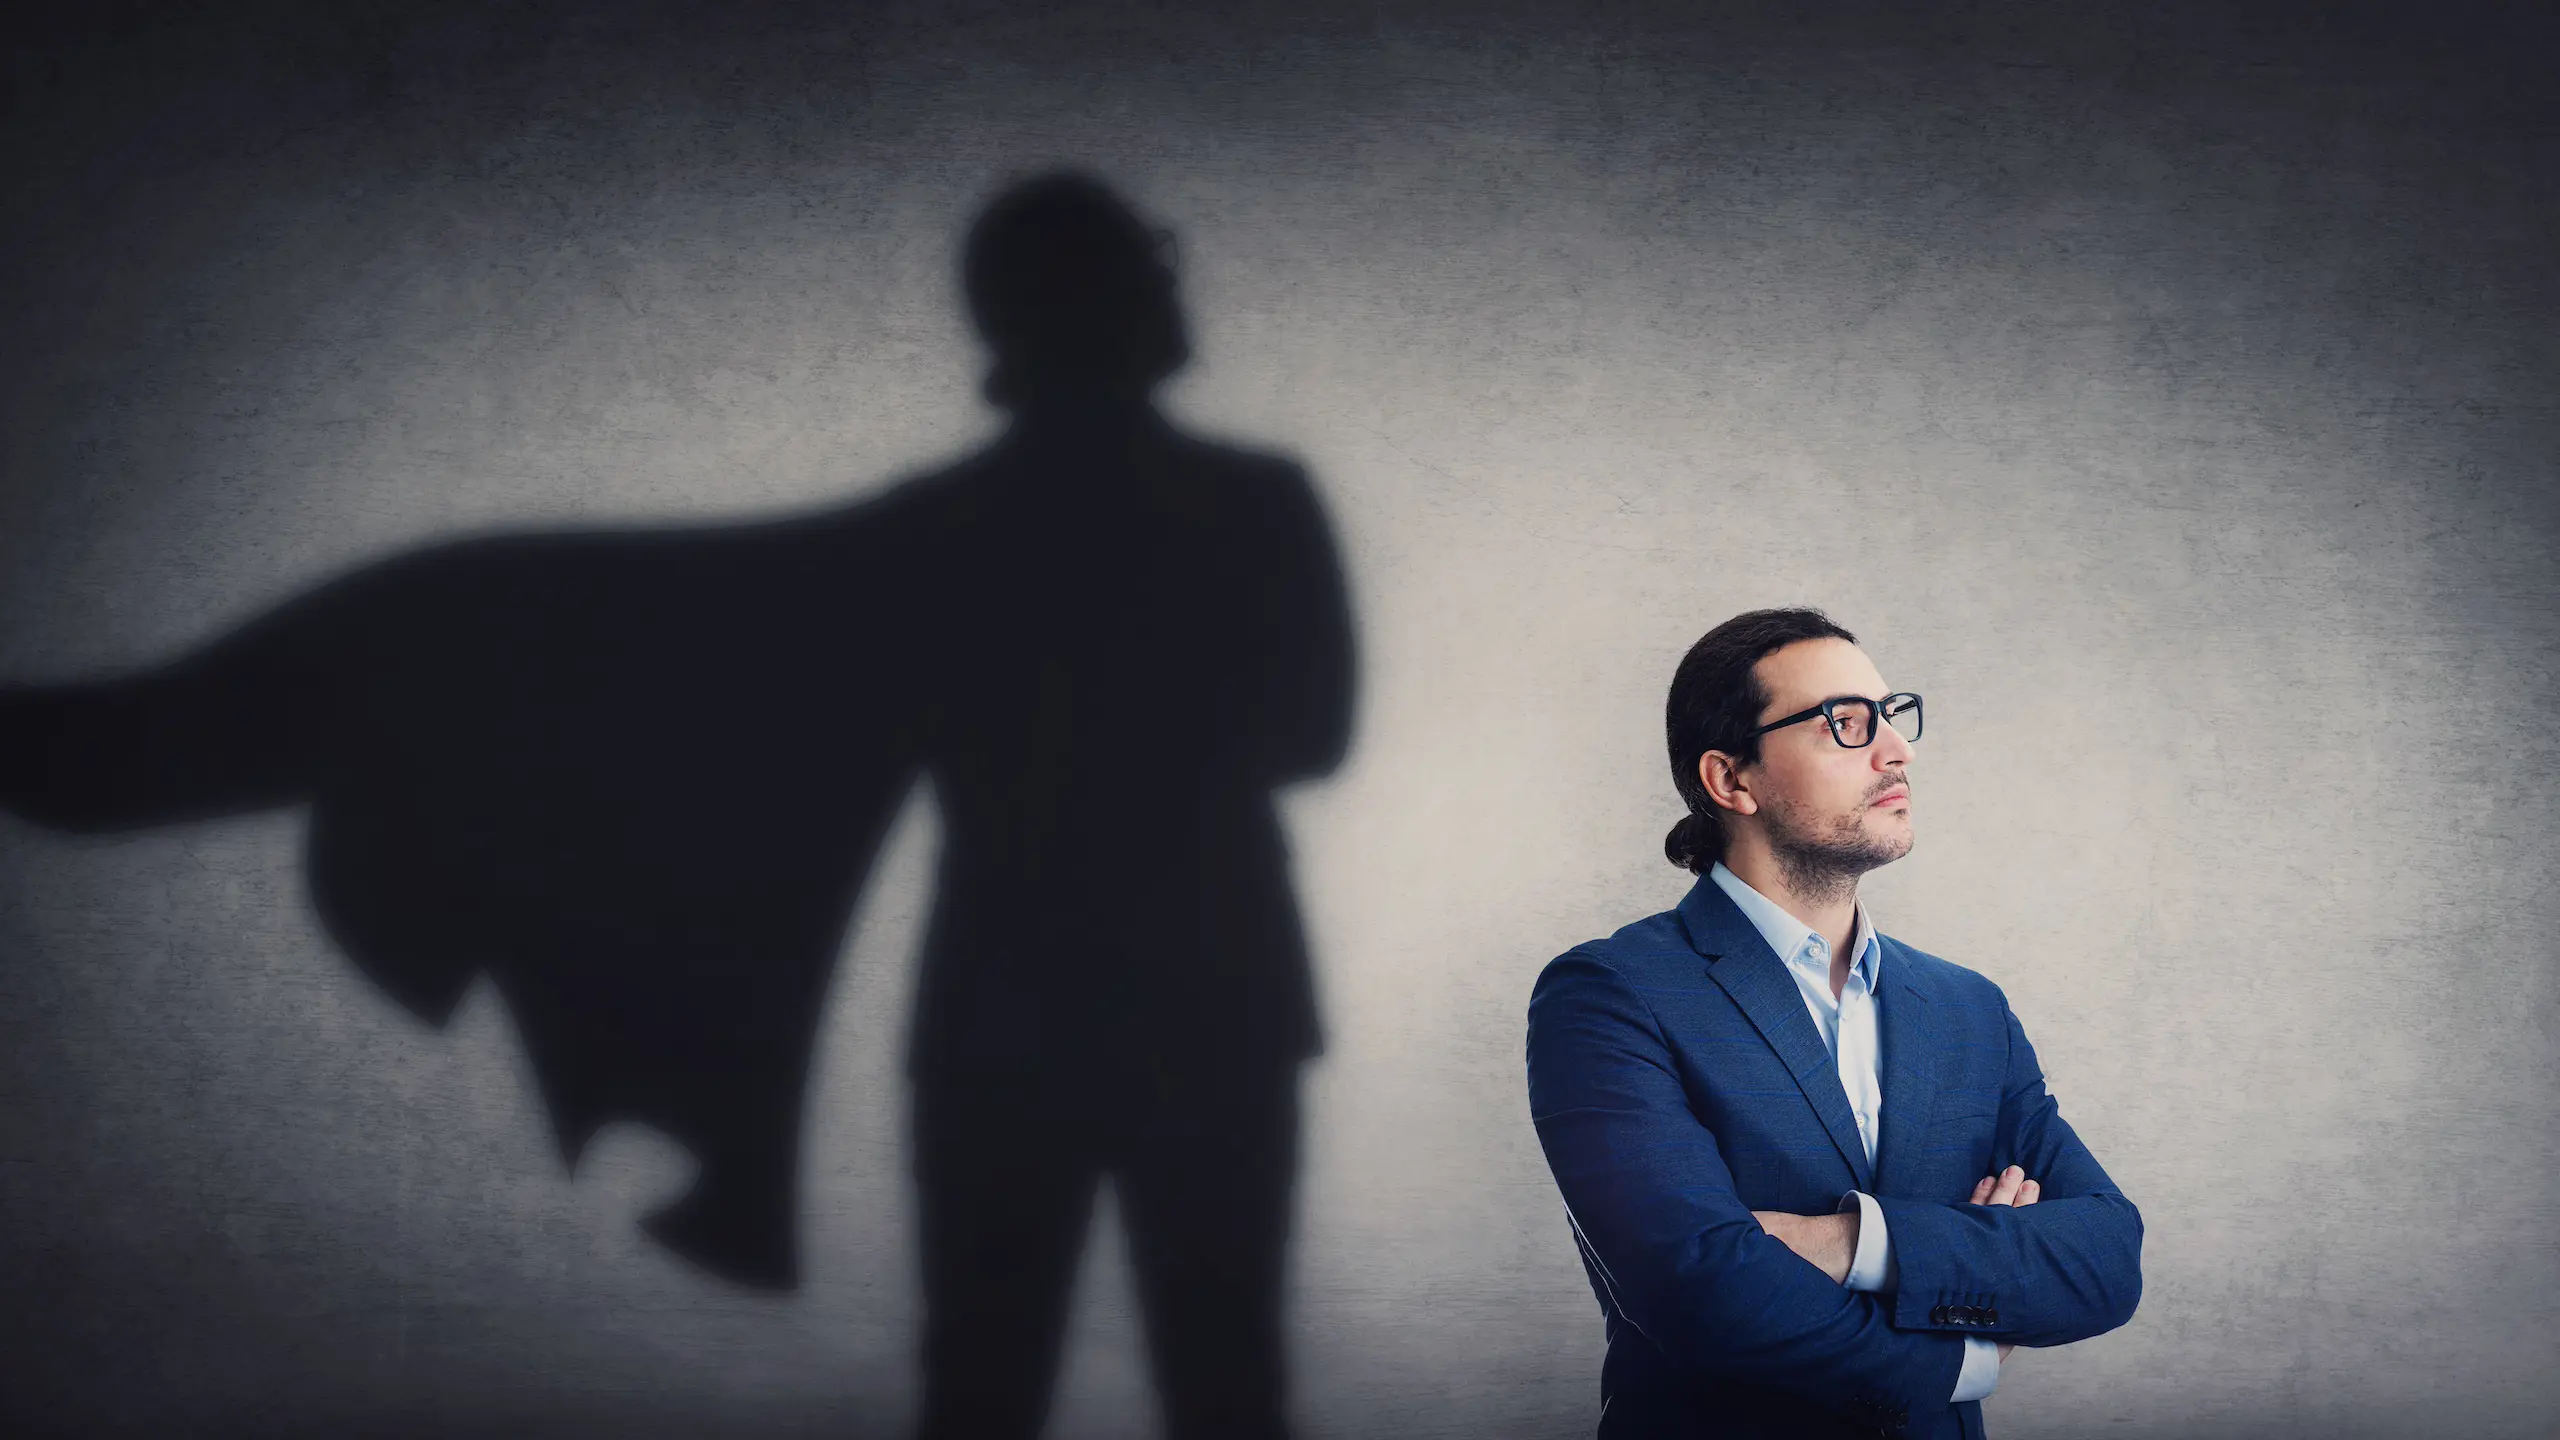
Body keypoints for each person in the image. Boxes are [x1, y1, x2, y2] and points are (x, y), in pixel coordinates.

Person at [1525, 607, 2140, 1439]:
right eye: (1845, 723)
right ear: (1731, 780)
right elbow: (1699, 1290)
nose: (1897, 751)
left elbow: (2104, 1258)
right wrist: (1970, 1355)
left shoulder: (1967, 1009)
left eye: (1892, 716)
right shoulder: (1611, 993)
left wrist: (1851, 1241)